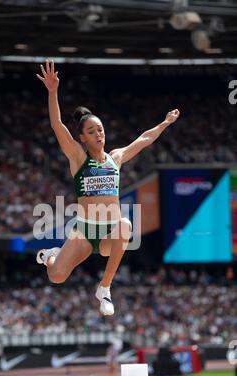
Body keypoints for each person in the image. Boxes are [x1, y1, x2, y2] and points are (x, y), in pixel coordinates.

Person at [36, 59, 180, 315]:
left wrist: (165, 123)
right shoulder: (79, 158)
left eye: (100, 129)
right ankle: (51, 255)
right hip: (83, 232)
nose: (98, 134)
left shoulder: (116, 157)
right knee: (56, 276)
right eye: (91, 131)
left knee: (125, 225)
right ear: (82, 137)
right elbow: (57, 125)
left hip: (107, 234)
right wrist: (52, 91)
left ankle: (104, 288)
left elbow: (144, 139)